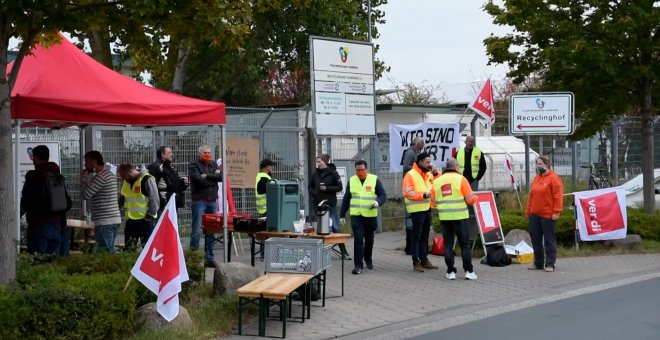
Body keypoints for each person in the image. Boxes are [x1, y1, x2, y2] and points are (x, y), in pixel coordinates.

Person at [20, 145, 72, 255]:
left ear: (36, 158)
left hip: (39, 225)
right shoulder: (57, 176)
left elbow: (26, 201)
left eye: (33, 157)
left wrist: (16, 217)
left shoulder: (34, 176)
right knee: (52, 263)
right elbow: (67, 202)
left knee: (38, 260)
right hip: (57, 225)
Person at [432, 158, 478, 280]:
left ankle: (450, 272)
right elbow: (469, 199)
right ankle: (469, 271)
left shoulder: (437, 181)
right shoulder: (461, 179)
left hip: (445, 217)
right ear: (455, 166)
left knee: (448, 244)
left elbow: (433, 203)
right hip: (460, 217)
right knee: (464, 244)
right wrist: (475, 198)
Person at [339, 160, 387, 274]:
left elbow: (383, 195)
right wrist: (342, 214)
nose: (360, 172)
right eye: (358, 170)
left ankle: (368, 259)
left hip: (370, 215)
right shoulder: (352, 180)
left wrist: (378, 202)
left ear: (366, 169)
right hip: (356, 215)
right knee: (358, 239)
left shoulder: (374, 179)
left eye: (362, 170)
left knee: (369, 239)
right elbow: (346, 198)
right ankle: (358, 266)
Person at [403, 152, 440, 272]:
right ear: (420, 162)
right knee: (416, 236)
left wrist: (436, 174)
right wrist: (424, 195)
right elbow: (408, 193)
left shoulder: (428, 173)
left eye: (430, 162)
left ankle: (424, 260)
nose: (430, 164)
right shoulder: (410, 175)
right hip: (416, 209)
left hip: (427, 208)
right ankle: (416, 261)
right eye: (427, 162)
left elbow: (438, 184)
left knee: (425, 236)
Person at [526, 155, 563, 272]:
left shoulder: (554, 178)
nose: (538, 166)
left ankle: (550, 264)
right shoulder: (536, 179)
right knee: (535, 239)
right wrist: (529, 211)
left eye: (540, 164)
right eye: (537, 164)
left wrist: (556, 212)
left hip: (547, 214)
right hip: (534, 214)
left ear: (547, 164)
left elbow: (558, 197)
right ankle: (538, 262)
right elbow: (531, 196)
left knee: (549, 240)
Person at [309, 154, 350, 258]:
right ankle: (318, 252)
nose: (318, 163)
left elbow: (340, 187)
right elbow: (310, 186)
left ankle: (343, 251)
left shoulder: (333, 173)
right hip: (318, 205)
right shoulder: (315, 174)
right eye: (317, 162)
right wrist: (314, 193)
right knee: (318, 229)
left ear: (325, 162)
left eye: (319, 161)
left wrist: (327, 188)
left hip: (330, 204)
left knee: (335, 227)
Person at [189, 144, 223, 267]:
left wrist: (208, 176)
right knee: (196, 230)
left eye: (209, 153)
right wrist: (212, 179)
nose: (208, 155)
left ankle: (209, 258)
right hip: (199, 200)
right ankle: (193, 259)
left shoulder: (214, 164)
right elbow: (198, 180)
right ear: (199, 154)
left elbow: (221, 177)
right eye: (205, 153)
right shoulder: (194, 165)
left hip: (212, 200)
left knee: (211, 230)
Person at [81, 151, 122, 253]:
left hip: (105, 221)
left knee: (105, 252)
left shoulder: (100, 177)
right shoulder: (109, 175)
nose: (85, 165)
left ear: (94, 162)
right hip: (113, 219)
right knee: (109, 249)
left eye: (86, 162)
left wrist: (83, 179)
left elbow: (86, 195)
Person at [118, 163, 159, 250]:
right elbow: (122, 198)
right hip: (131, 220)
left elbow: (154, 199)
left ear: (129, 172)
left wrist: (149, 216)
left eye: (123, 175)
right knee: (129, 248)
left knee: (148, 249)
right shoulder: (126, 182)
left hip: (146, 220)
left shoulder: (146, 179)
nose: (122, 178)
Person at [147, 145, 189, 218]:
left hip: (172, 203)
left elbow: (175, 186)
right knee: (162, 228)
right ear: (163, 155)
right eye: (169, 153)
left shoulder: (170, 168)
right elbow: (152, 187)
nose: (172, 154)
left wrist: (183, 183)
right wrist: (161, 200)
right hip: (163, 206)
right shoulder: (155, 167)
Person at [402, 136, 425, 255]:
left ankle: (411, 247)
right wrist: (419, 168)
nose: (424, 146)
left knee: (411, 219)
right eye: (423, 144)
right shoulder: (410, 153)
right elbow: (406, 167)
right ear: (418, 144)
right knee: (409, 218)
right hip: (409, 188)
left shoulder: (415, 152)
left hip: (413, 189)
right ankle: (409, 247)